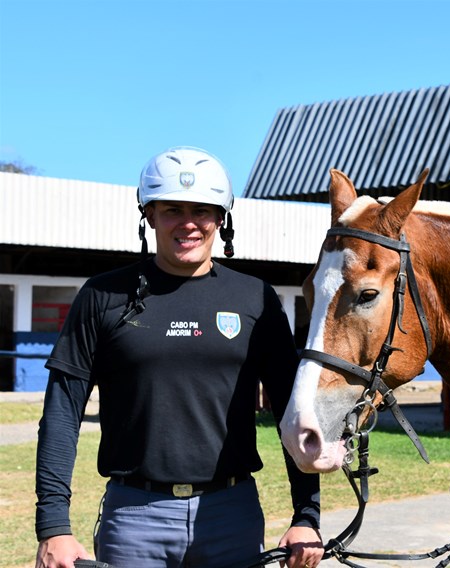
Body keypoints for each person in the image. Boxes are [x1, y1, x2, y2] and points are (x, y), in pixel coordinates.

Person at [35, 146, 324, 568]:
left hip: (231, 514)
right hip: (134, 518)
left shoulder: (256, 298)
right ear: (148, 214)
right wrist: (54, 526)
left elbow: (291, 411)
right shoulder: (102, 296)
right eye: (172, 209)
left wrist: (307, 515)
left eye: (202, 210)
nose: (188, 223)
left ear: (221, 217)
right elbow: (62, 414)